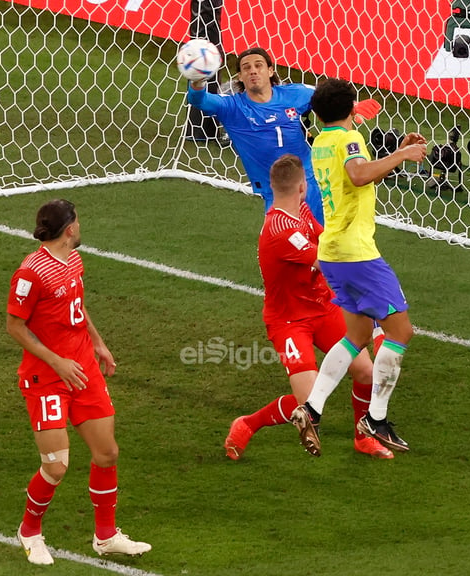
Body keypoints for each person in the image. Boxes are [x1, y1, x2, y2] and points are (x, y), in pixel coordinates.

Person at [6, 199, 151, 565]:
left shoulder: (73, 260)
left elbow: (76, 306)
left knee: (107, 452)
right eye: (78, 221)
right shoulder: (30, 273)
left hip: (82, 367)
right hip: (46, 377)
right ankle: (30, 531)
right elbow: (14, 326)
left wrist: (99, 344)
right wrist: (58, 361)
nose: (81, 226)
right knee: (55, 466)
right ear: (69, 228)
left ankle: (106, 537)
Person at [224, 155, 393, 460]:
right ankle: (248, 424)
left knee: (365, 371)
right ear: (303, 186)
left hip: (321, 307)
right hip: (290, 321)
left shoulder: (299, 210)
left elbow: (323, 239)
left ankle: (362, 437)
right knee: (310, 402)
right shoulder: (279, 230)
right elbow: (326, 262)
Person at [302, 78, 428, 453]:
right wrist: (403, 156)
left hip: (332, 254)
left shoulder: (321, 142)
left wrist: (392, 155)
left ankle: (312, 407)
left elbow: (355, 175)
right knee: (401, 332)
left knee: (356, 337)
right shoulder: (348, 140)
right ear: (351, 108)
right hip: (358, 254)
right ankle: (375, 418)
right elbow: (359, 174)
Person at [185, 47, 382, 223]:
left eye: (258, 65)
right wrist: (197, 80)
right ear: (240, 77)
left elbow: (327, 97)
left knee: (326, 244)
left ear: (270, 71)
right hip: (277, 192)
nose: (252, 70)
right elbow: (198, 99)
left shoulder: (295, 93)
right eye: (246, 68)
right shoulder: (231, 107)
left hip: (313, 184)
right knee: (287, 250)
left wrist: (352, 106)